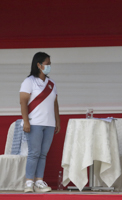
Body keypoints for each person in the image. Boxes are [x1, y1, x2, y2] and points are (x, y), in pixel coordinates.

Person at [20, 52, 60, 193]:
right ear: (39, 65)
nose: (49, 66)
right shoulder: (29, 81)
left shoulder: (52, 83)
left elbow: (55, 103)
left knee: (43, 154)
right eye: (47, 63)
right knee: (34, 153)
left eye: (50, 64)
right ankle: (29, 182)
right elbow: (23, 102)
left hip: (49, 124)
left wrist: (57, 120)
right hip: (34, 122)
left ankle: (39, 181)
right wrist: (26, 121)